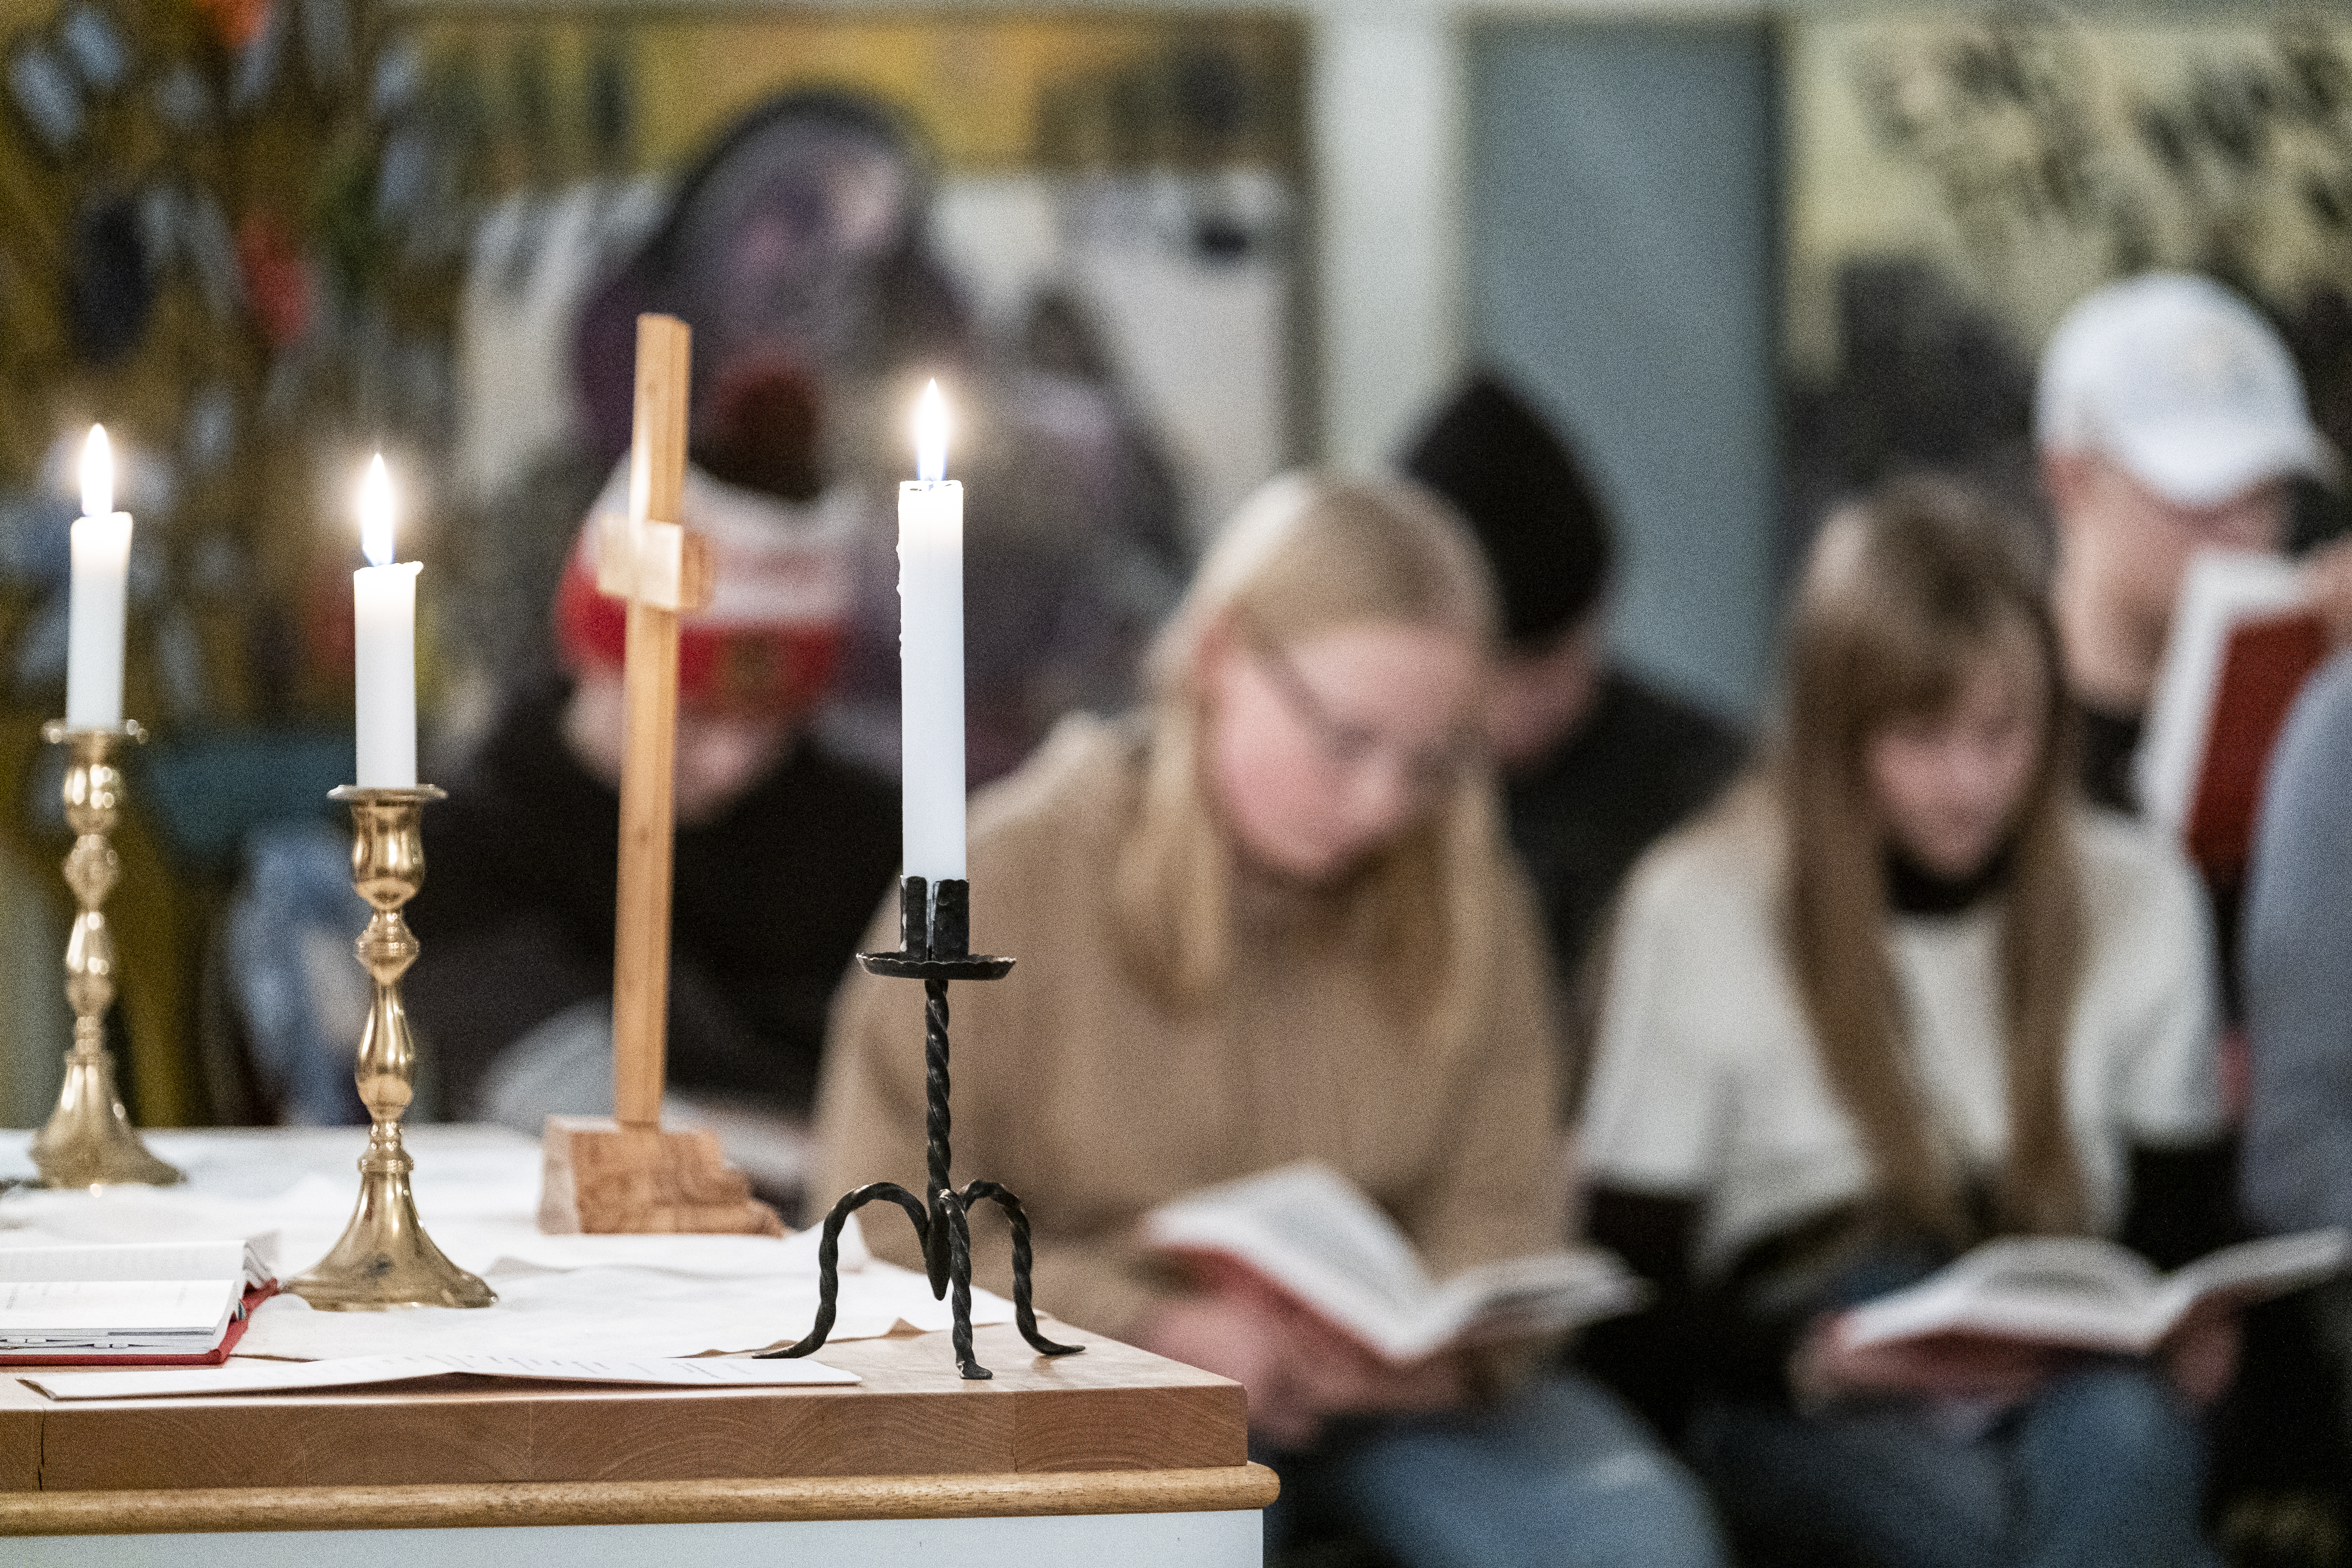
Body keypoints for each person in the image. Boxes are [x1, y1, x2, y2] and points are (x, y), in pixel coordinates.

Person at [815, 473, 1728, 1567]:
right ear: (1220, 656)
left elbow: (1507, 1202)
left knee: (1640, 1537)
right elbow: (885, 1228)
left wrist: (1432, 1349)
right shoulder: (1009, 873)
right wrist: (1152, 1325)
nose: (1384, 804)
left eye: (1432, 760)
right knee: (1175, 1546)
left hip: (1402, 1390)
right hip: (1095, 1370)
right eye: (1345, 739)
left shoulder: (1468, 888)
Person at [1579, 478, 2234, 1568]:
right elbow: (1629, 1289)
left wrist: (2184, 1320)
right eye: (1923, 737)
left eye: (2002, 732)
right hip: (1806, 1349)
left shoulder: (2136, 887)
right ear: (1837, 732)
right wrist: (1813, 1361)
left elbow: (2177, 1221)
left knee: (2126, 1440)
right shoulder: (1700, 903)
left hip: (2061, 1329)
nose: (1971, 783)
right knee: (1993, 1524)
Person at [402, 442, 899, 1138]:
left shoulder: (866, 834)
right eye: (692, 716)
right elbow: (553, 1094)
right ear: (592, 656)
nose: (730, 765)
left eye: (772, 722)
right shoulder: (470, 836)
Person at [1401, 372, 1744, 999]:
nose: (1562, 696)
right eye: (1522, 675)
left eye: (1576, 651)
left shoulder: (1708, 786)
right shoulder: (1370, 805)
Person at [2037, 272, 2345, 816]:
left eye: (2268, 493)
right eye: (2202, 495)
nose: (2245, 534)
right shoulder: (1978, 741)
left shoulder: (2318, 713)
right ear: (2071, 479)